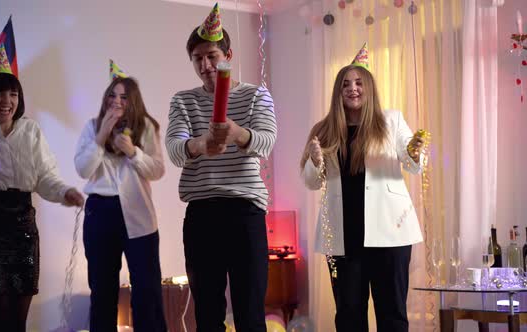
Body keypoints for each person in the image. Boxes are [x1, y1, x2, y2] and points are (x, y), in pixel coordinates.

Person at [165, 4, 276, 332]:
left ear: (228, 54)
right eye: (198, 58)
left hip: (246, 213)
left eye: (212, 55)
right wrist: (200, 144)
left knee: (250, 313)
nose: (205, 64)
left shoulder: (258, 96)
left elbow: (267, 141)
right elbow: (174, 149)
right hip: (202, 215)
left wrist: (236, 133)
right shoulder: (183, 100)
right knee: (208, 315)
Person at [0, 71, 84, 332]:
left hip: (22, 228)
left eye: (12, 94)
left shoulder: (31, 130)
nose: (6, 101)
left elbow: (45, 177)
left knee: (17, 321)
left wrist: (65, 192)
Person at [300, 52, 426, 332]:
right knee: (348, 315)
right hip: (342, 239)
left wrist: (414, 151)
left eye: (358, 83)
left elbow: (412, 163)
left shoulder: (390, 121)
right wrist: (315, 160)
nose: (352, 89)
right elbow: (311, 182)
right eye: (345, 84)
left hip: (391, 235)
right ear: (338, 91)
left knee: (392, 313)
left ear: (368, 88)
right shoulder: (324, 129)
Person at [74, 75, 167, 332]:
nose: (116, 101)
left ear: (133, 101)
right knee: (102, 290)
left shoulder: (146, 127)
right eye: (112, 95)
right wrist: (102, 136)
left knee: (147, 290)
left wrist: (133, 151)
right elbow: (83, 169)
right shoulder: (92, 127)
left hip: (138, 215)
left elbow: (157, 170)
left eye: (124, 97)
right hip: (100, 212)